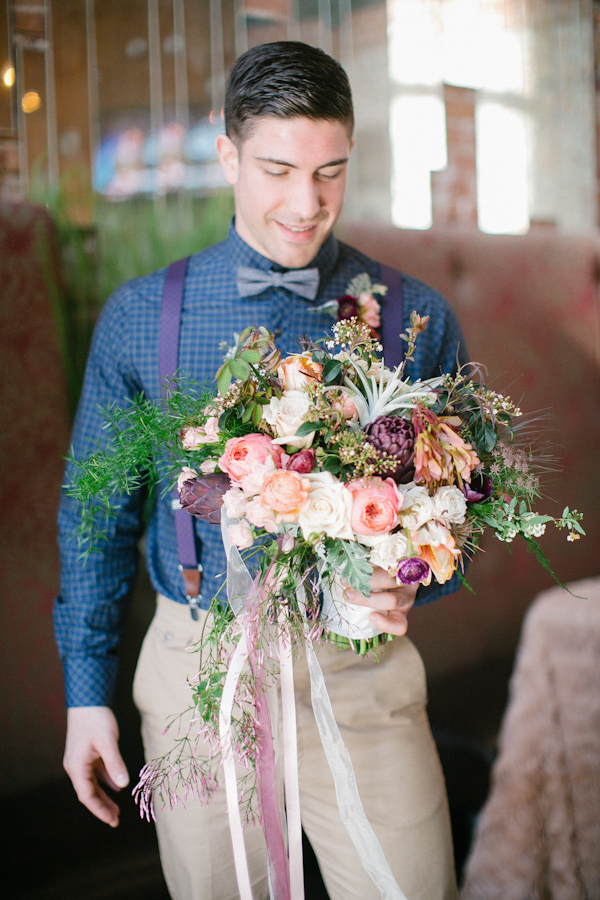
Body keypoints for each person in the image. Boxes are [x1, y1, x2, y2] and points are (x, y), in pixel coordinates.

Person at [56, 41, 468, 900]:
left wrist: (409, 581)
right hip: (198, 670)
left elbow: (461, 505)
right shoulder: (141, 318)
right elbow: (93, 521)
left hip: (360, 671)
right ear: (227, 151)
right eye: (277, 168)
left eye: (330, 171)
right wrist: (85, 694)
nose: (304, 203)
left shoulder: (417, 316)